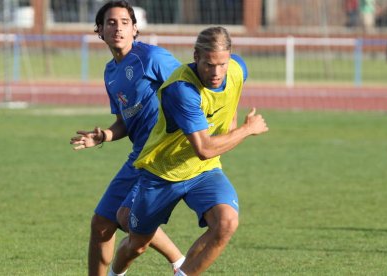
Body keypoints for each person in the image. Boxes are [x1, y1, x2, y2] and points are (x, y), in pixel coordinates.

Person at [110, 26, 269, 275]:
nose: (216, 72)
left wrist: (233, 123)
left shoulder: (238, 68)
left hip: (204, 172)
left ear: (230, 57)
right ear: (196, 56)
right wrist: (247, 130)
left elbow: (231, 95)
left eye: (222, 64)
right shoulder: (181, 89)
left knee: (226, 222)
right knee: (136, 245)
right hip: (163, 174)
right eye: (208, 64)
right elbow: (204, 149)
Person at [69, 1, 185, 275]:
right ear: (100, 30)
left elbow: (189, 85)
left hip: (162, 156)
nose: (118, 28)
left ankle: (181, 265)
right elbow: (124, 121)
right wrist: (105, 135)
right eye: (111, 22)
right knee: (101, 224)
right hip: (139, 157)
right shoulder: (110, 73)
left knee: (130, 220)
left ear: (135, 29)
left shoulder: (153, 58)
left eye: (124, 22)